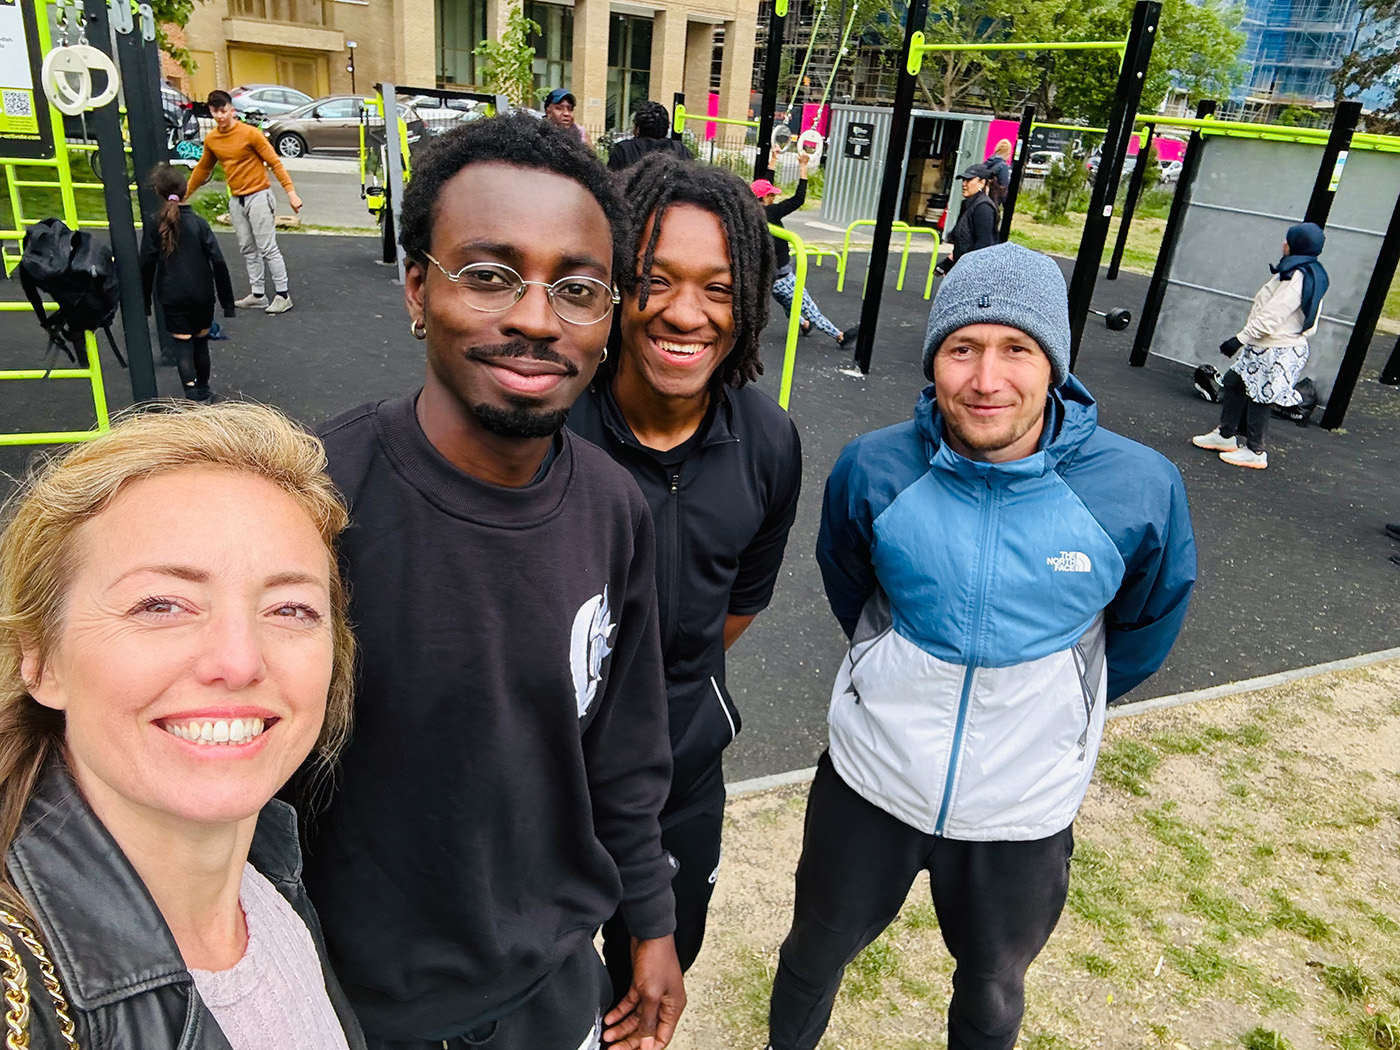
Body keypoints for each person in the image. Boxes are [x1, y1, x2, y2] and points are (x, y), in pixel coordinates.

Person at [300, 114, 684, 1050]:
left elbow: (622, 753)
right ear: (417, 290)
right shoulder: (312, 506)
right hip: (361, 1005)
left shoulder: (613, 508)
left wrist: (653, 922)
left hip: (553, 988)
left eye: (579, 288)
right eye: (488, 274)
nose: (535, 318)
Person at [766, 242, 1197, 1050]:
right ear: (933, 361)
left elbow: (1146, 625)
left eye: (1017, 349)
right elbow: (849, 585)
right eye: (962, 348)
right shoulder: (875, 467)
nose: (987, 378)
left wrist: (1061, 701)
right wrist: (893, 668)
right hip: (871, 783)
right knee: (812, 956)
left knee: (993, 989)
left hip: (1022, 811)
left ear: (1055, 364)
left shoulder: (1138, 488)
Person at [0, 401, 366, 1050]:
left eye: (290, 608)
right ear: (41, 658)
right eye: (161, 604)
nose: (238, 660)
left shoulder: (271, 880)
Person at [567, 154, 802, 997]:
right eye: (656, 279)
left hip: (680, 768)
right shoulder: (550, 430)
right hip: (550, 773)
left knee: (655, 971)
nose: (685, 313)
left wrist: (667, 683)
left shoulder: (769, 441)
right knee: (548, 991)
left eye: (718, 287)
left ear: (746, 306)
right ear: (618, 286)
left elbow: (738, 604)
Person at [1191, 222, 1329, 470]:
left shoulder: (1297, 277)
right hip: (1267, 345)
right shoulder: (1306, 271)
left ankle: (1255, 450)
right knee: (1234, 381)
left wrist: (1239, 339)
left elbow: (1273, 315)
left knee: (1262, 397)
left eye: (1288, 240)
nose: (1283, 244)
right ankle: (1225, 435)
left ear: (1298, 244)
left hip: (1276, 348)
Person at [185, 89, 302, 315]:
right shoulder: (213, 139)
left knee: (267, 247)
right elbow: (203, 169)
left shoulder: (250, 134)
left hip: (258, 194)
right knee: (248, 247)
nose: (220, 116)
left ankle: (283, 295)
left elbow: (275, 163)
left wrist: (291, 193)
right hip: (237, 198)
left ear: (232, 111)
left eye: (223, 111)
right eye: (215, 112)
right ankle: (258, 294)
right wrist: (185, 194)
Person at [140, 163, 235, 401]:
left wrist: (144, 302)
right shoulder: (200, 223)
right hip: (202, 292)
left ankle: (192, 393)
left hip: (173, 293)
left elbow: (146, 262)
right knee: (201, 342)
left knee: (183, 345)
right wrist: (227, 303)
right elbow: (218, 261)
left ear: (159, 193)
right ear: (185, 190)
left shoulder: (155, 223)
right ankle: (204, 390)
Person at [753, 151, 858, 348]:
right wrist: (803, 168)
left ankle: (804, 324)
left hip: (767, 276)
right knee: (808, 306)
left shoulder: (751, 210)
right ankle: (840, 336)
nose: (774, 198)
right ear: (765, 198)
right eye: (771, 195)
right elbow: (798, 199)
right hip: (783, 275)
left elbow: (762, 184)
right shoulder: (772, 213)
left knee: (788, 304)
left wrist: (773, 160)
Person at [934, 162, 1000, 276]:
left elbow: (984, 244)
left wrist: (967, 270)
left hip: (974, 271)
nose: (964, 184)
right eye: (963, 180)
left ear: (982, 183)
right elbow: (962, 240)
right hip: (963, 265)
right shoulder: (967, 204)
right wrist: (948, 263)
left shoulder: (983, 208)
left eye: (969, 180)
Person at [607, 100, 693, 171]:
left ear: (637, 129)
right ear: (666, 128)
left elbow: (609, 184)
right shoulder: (681, 150)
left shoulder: (623, 150)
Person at [984, 138, 1013, 205]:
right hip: (993, 201)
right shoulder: (1003, 166)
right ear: (1008, 153)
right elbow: (1004, 188)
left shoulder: (987, 162)